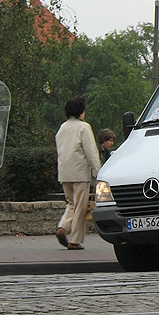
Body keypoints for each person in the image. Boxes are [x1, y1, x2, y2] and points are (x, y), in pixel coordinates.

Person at [55, 97, 101, 250]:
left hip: (64, 171)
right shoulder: (84, 127)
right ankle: (75, 240)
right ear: (81, 112)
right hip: (80, 172)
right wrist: (97, 172)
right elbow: (91, 151)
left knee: (71, 203)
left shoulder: (62, 128)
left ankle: (62, 226)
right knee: (80, 206)